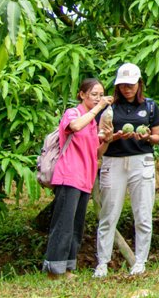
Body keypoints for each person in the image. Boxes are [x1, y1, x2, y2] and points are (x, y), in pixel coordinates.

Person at [94, 62, 159, 278]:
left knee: (142, 214)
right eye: (123, 85)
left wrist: (146, 137)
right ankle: (102, 264)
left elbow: (157, 137)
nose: (127, 89)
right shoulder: (109, 107)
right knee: (108, 214)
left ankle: (140, 262)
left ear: (139, 84)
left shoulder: (150, 107)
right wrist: (113, 137)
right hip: (113, 162)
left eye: (131, 84)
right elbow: (100, 136)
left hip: (141, 162)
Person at [43, 78, 113, 278]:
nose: (98, 99)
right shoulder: (73, 114)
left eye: (101, 95)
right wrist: (97, 108)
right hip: (69, 176)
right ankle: (54, 270)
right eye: (94, 94)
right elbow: (74, 127)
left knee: (76, 226)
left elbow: (96, 153)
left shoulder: (92, 123)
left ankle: (67, 268)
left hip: (85, 179)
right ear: (82, 95)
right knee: (63, 224)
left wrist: (107, 140)